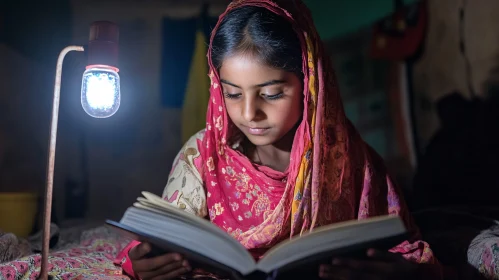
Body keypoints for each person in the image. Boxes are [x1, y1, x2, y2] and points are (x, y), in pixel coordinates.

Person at [114, 0, 443, 279]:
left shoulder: (351, 161)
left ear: (310, 83)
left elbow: (408, 251)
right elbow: (159, 240)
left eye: (271, 94)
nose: (248, 113)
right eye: (232, 93)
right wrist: (142, 262)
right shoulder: (202, 157)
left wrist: (401, 271)